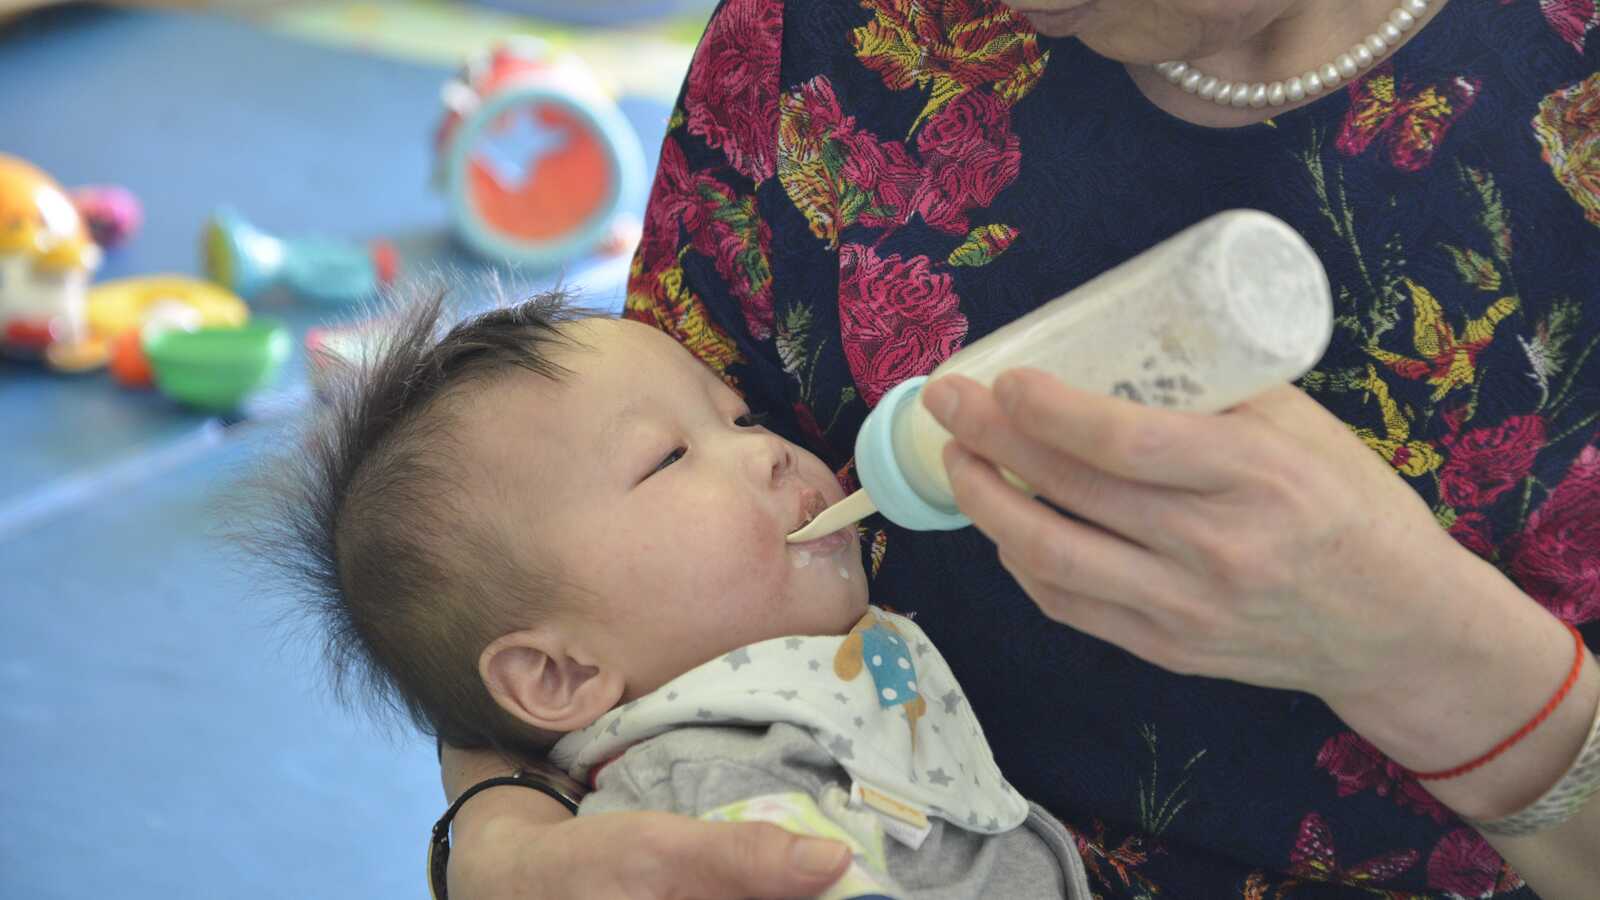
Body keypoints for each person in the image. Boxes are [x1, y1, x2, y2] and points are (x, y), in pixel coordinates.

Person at [438, 0, 1600, 896]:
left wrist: (1441, 657)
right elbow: (527, 551)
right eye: (701, 445)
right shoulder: (821, 40)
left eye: (745, 428)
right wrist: (503, 840)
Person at [264, 290, 1092, 899]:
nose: (770, 450)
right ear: (559, 675)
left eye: (737, 419)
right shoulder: (706, 798)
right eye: (669, 458)